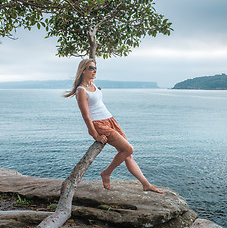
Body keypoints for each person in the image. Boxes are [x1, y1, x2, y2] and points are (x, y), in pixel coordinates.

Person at [64, 59, 162, 193]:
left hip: (111, 120)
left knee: (128, 154)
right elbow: (86, 116)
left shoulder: (92, 83)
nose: (95, 71)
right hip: (99, 124)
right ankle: (106, 173)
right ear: (83, 70)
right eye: (91, 68)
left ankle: (146, 184)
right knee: (128, 149)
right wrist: (95, 134)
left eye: (95, 68)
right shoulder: (81, 90)